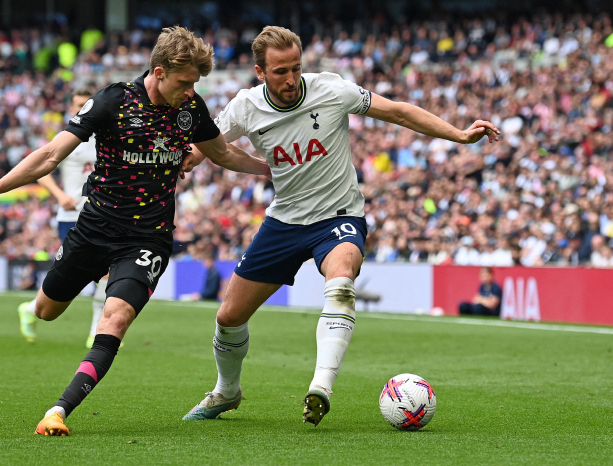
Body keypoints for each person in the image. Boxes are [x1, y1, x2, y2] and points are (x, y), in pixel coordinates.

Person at [182, 26, 500, 426]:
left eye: (296, 68)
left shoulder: (331, 90)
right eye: (280, 71)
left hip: (338, 216)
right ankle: (227, 391)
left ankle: (321, 387)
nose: (291, 79)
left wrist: (459, 134)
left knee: (342, 277)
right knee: (229, 317)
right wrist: (191, 155)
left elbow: (398, 111)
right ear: (261, 72)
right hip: (284, 220)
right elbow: (210, 142)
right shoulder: (245, 107)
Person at [0, 26, 270, 437]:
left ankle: (58, 410)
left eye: (195, 83)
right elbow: (52, 154)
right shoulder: (113, 100)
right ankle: (34, 304)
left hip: (148, 238)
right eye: (184, 82)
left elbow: (224, 153)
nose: (190, 91)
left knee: (115, 318)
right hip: (92, 229)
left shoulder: (190, 109)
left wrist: (274, 169)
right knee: (47, 310)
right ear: (159, 72)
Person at [16, 88, 110, 349]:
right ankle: (31, 307)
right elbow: (42, 169)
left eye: (86, 104)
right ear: (71, 108)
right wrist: (59, 197)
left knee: (107, 273)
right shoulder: (69, 137)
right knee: (72, 278)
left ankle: (96, 332)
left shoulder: (106, 135)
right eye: (78, 105)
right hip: (71, 216)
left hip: (101, 214)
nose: (82, 109)